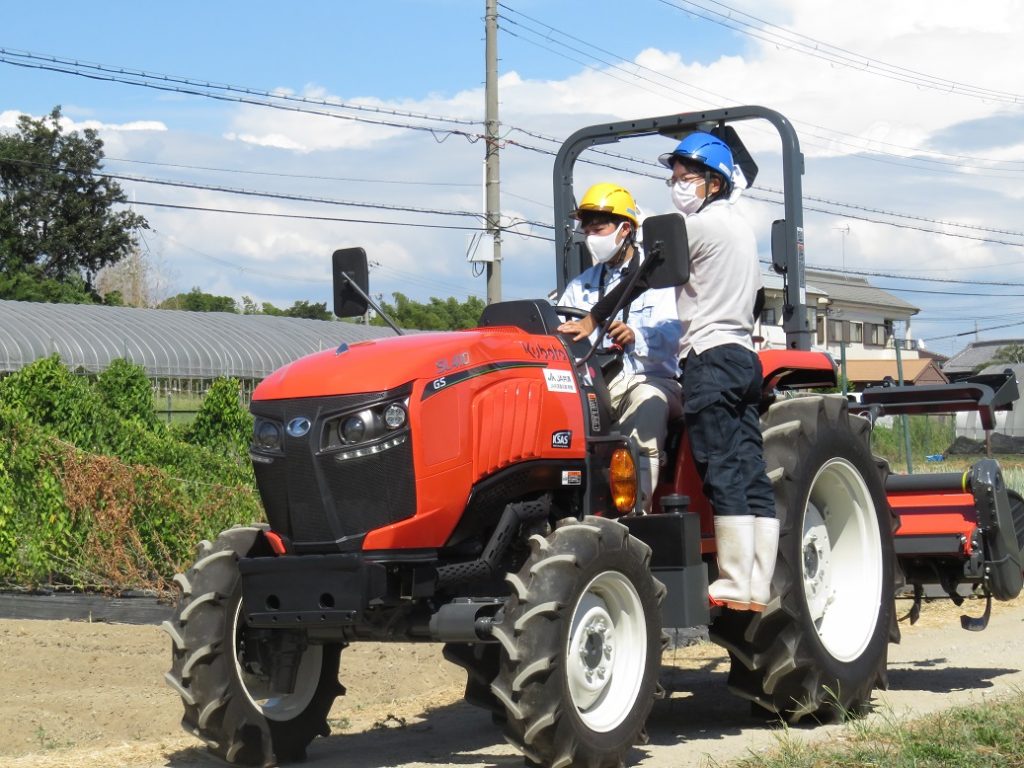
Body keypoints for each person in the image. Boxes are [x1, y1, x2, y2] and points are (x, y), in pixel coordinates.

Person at [566, 135, 778, 612]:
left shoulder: (698, 227)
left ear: (715, 182)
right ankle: (757, 582)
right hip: (743, 355)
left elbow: (641, 273)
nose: (677, 187)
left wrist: (593, 320)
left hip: (708, 356)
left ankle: (734, 580)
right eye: (675, 179)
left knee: (720, 465)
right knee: (749, 468)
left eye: (686, 179)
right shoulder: (741, 229)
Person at [556, 182, 683, 513]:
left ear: (625, 228)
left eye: (598, 228)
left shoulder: (658, 279)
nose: (590, 236)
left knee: (647, 403)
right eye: (586, 229)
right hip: (593, 383)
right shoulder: (579, 286)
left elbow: (675, 334)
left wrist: (635, 336)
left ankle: (634, 512)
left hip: (648, 378)